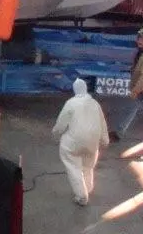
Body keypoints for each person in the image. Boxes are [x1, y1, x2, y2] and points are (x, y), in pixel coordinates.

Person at [53, 78, 109, 206]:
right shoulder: (95, 104)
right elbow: (102, 123)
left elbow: (61, 124)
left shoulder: (71, 103)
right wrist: (105, 140)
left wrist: (56, 134)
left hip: (73, 142)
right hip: (92, 143)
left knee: (73, 166)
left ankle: (82, 195)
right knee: (88, 166)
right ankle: (88, 188)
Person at [109, 27, 143, 146]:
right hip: (142, 87)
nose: (139, 40)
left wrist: (136, 90)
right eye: (139, 38)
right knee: (132, 109)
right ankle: (119, 133)